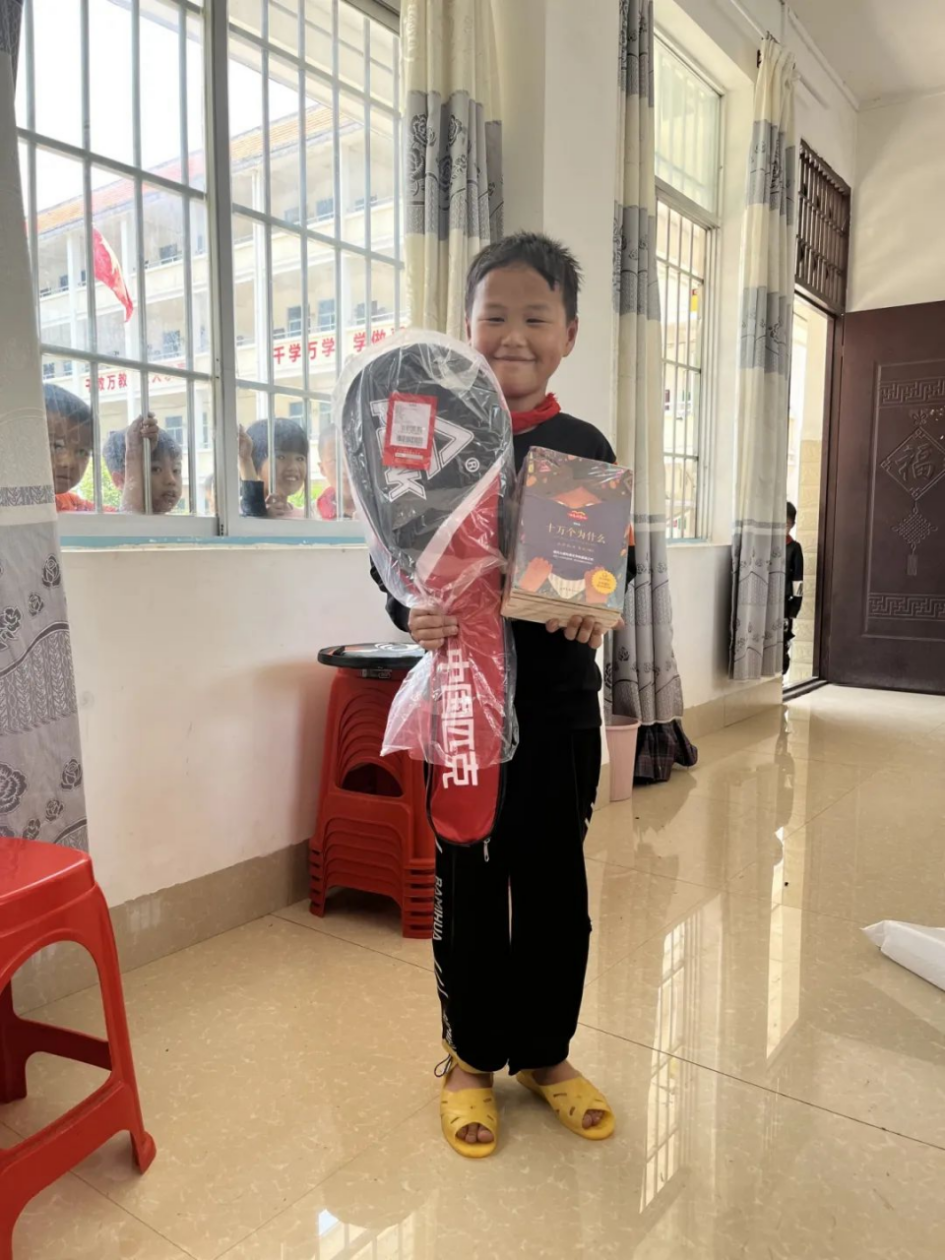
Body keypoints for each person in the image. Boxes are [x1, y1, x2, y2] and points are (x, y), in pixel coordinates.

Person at [373, 233, 630, 1157]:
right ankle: (471, 1059)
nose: (511, 335)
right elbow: (394, 558)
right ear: (464, 327)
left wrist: (597, 606)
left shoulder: (582, 446)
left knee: (556, 888)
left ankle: (546, 1054)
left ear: (568, 335)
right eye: (493, 316)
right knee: (470, 885)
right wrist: (407, 612)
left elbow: (608, 566)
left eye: (534, 317)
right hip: (463, 710)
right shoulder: (431, 440)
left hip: (557, 709)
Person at [103, 415, 183, 514]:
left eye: (176, 470)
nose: (171, 480)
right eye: (155, 469)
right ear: (120, 480)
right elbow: (131, 515)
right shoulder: (112, 522)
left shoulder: (178, 523)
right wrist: (133, 454)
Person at [239, 418, 308, 519]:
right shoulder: (237, 515)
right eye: (281, 457)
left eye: (300, 458)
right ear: (253, 462)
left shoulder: (305, 517)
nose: (293, 466)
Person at [45, 384, 95, 511]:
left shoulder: (70, 504)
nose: (69, 462)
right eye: (56, 447)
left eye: (82, 451)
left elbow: (122, 516)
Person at [784, 501, 805, 675]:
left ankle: (781, 672)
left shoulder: (794, 548)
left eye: (786, 524)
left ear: (792, 525)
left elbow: (798, 581)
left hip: (784, 602)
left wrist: (795, 606)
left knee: (782, 639)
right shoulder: (763, 546)